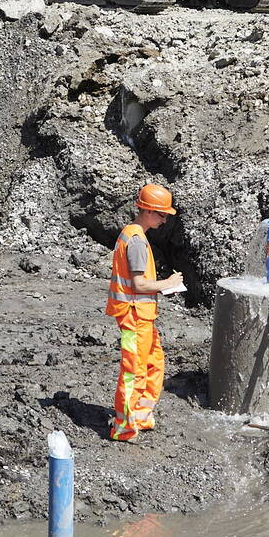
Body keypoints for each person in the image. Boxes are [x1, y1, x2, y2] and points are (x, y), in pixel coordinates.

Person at [105, 183, 186, 441]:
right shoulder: (137, 241)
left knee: (153, 364)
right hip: (133, 317)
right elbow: (139, 284)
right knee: (134, 371)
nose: (164, 220)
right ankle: (124, 427)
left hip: (142, 317)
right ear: (148, 211)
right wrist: (168, 284)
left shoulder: (133, 235)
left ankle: (140, 415)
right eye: (162, 215)